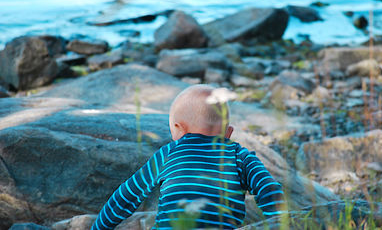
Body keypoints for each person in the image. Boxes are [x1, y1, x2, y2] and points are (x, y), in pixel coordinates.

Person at [92, 85, 285, 230]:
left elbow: (126, 195)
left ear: (178, 128)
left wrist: (99, 228)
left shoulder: (169, 153)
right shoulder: (239, 156)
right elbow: (270, 191)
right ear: (229, 132)